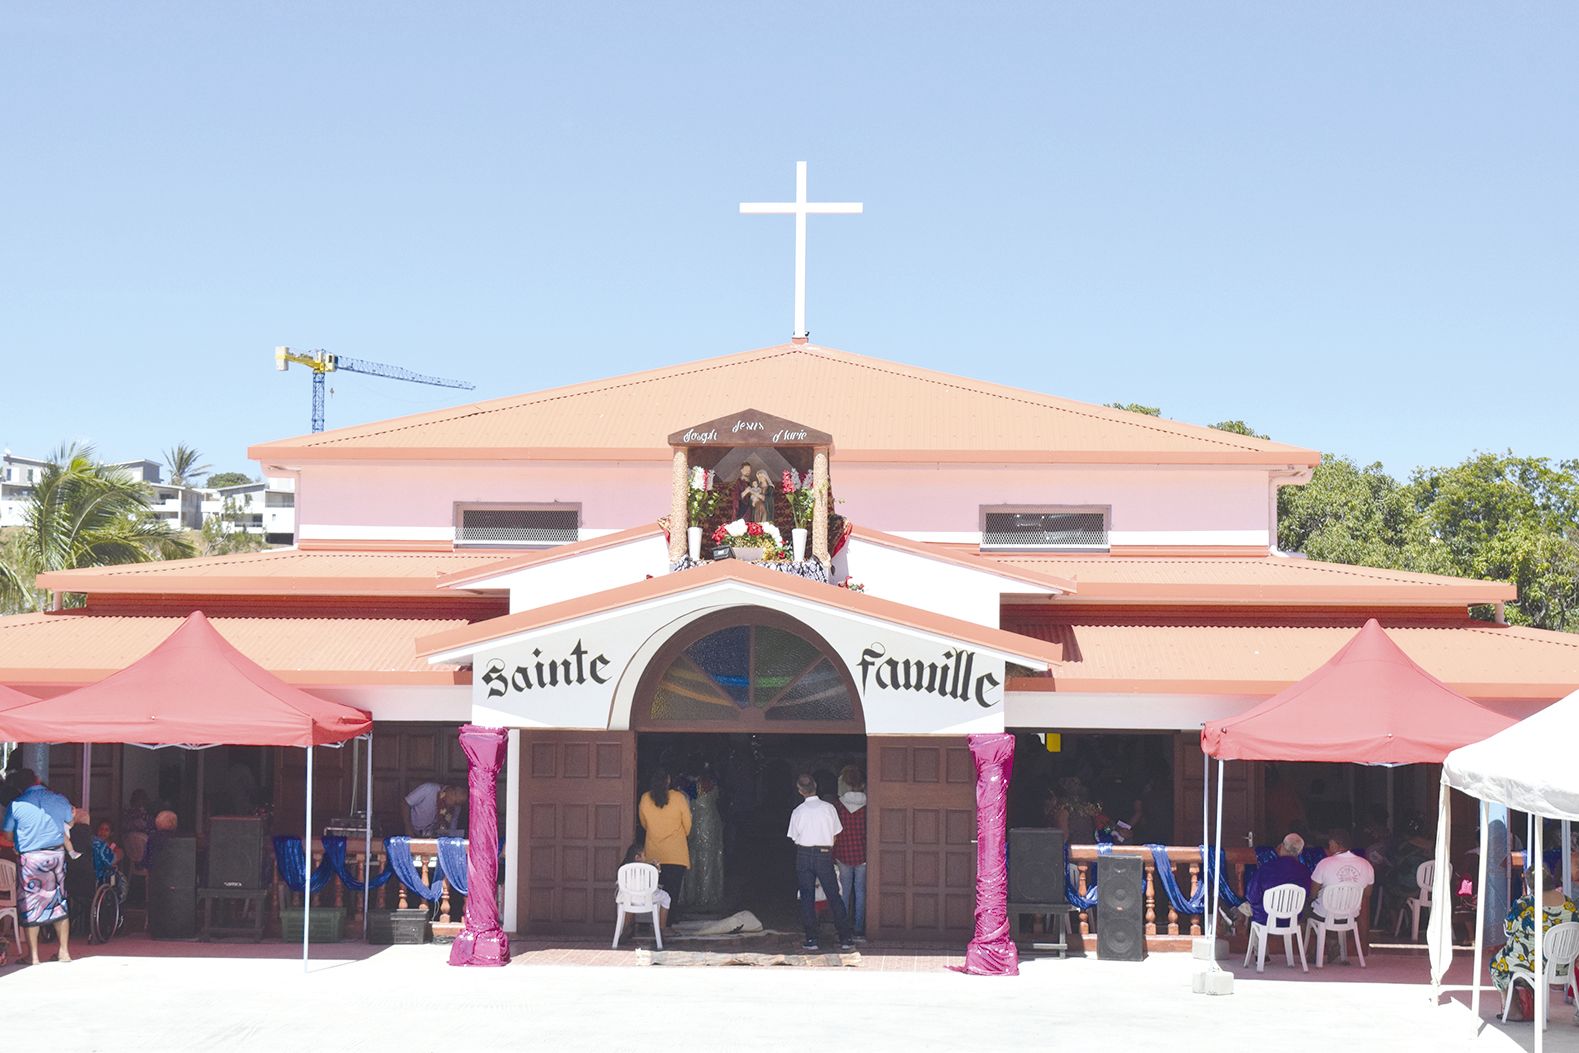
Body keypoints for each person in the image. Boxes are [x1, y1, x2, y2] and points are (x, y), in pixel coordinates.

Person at [1, 769, 74, 964]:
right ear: (38, 779)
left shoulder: (15, 805)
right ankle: (64, 952)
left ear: (18, 787)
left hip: (30, 858)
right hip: (56, 855)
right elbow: (70, 821)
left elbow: (7, 835)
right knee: (59, 900)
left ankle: (33, 956)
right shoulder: (59, 799)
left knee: (30, 903)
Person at [1490, 862, 1577, 1020]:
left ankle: (1513, 1009)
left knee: (1497, 964)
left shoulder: (1525, 904)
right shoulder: (1570, 904)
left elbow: (1508, 929)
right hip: (1562, 965)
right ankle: (1536, 1006)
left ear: (1529, 883)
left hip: (1533, 964)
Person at [787, 773, 853, 951]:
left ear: (800, 790)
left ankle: (811, 939)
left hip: (804, 854)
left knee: (807, 897)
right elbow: (835, 833)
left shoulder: (798, 812)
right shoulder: (828, 808)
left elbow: (794, 837)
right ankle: (845, 938)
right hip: (824, 854)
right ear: (815, 786)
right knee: (833, 895)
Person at [638, 769, 692, 918]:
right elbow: (687, 825)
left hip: (653, 854)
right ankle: (667, 925)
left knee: (655, 891)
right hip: (676, 853)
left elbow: (644, 824)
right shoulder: (679, 798)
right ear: (668, 780)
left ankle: (653, 923)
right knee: (672, 892)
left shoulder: (644, 798)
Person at [1239, 832, 1311, 927]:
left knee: (1248, 907)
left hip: (1265, 917)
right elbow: (1307, 894)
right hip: (1292, 917)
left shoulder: (1266, 868)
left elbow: (1252, 896)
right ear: (1300, 852)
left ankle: (1255, 939)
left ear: (1281, 846)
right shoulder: (1305, 871)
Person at [679, 771, 724, 913]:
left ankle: (690, 896)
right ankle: (707, 896)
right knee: (708, 862)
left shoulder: (685, 786)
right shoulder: (711, 784)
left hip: (691, 827)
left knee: (690, 862)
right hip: (710, 826)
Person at [832, 765, 867, 942]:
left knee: (844, 892)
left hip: (843, 853)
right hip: (863, 854)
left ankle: (844, 929)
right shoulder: (869, 805)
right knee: (861, 892)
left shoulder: (838, 806)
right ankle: (859, 929)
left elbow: (835, 833)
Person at [615, 840, 672, 938]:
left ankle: (626, 927)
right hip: (645, 900)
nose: (646, 858)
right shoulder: (647, 869)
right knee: (666, 897)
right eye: (644, 855)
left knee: (629, 899)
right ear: (637, 857)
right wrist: (657, 869)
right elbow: (653, 885)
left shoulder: (623, 868)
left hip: (627, 899)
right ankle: (661, 930)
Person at [64, 806, 97, 938]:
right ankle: (91, 929)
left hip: (68, 879)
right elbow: (106, 859)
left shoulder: (65, 836)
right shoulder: (94, 840)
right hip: (87, 879)